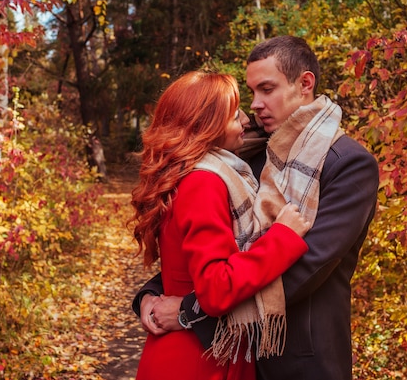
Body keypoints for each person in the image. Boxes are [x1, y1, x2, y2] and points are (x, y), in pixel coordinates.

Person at [132, 36, 380, 380]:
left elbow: (307, 266)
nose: (255, 106)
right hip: (233, 355)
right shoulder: (248, 156)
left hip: (297, 359)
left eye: (267, 89)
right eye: (251, 93)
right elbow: (213, 248)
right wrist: (154, 293)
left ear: (304, 83)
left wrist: (190, 310)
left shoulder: (348, 164)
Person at [129, 70, 312, 380]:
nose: (245, 121)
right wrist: (282, 236)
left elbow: (185, 267)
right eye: (233, 115)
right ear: (206, 126)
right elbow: (215, 288)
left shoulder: (185, 174)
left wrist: (148, 296)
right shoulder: (205, 182)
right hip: (197, 360)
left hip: (189, 351)